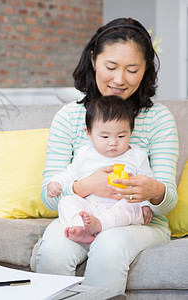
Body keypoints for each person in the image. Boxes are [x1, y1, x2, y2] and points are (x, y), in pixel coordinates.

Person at [36, 18, 178, 293]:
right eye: (111, 67)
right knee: (54, 250)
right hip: (84, 215)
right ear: (93, 60)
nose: (119, 80)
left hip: (138, 220)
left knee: (110, 245)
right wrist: (85, 186)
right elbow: (47, 194)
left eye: (132, 69)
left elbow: (166, 202)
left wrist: (154, 191)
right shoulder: (69, 116)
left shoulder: (159, 119)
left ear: (146, 68)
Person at [48, 95, 153, 244]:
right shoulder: (85, 154)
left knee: (132, 205)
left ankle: (100, 225)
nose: (113, 143)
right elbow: (70, 173)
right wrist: (55, 182)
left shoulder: (136, 155)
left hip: (121, 207)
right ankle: (81, 228)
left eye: (121, 136)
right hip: (91, 207)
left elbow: (147, 181)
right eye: (104, 136)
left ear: (131, 131)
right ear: (89, 133)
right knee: (66, 201)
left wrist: (145, 204)